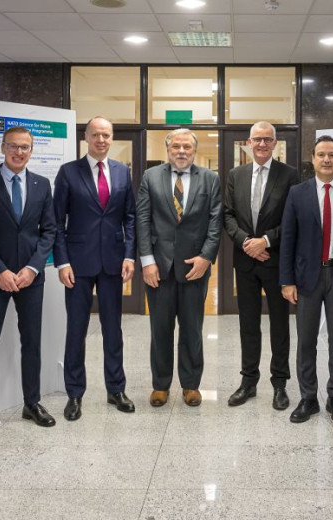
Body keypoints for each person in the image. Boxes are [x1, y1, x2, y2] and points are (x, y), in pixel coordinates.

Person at [0, 126, 57, 442]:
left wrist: (33, 268)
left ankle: (31, 403)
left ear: (32, 150)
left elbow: (49, 231)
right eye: (14, 146)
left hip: (31, 278)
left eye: (25, 147)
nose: (19, 152)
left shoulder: (41, 184)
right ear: (3, 147)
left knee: (32, 342)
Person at [53, 116, 137, 420]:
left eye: (107, 134)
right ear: (86, 137)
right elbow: (56, 222)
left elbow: (130, 217)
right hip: (77, 264)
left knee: (113, 329)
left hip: (113, 263)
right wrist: (61, 261)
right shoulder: (68, 173)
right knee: (76, 330)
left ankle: (116, 389)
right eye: (96, 134)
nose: (101, 139)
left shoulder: (122, 171)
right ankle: (74, 393)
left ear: (112, 138)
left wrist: (130, 255)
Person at [136, 128, 222, 407]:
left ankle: (190, 385)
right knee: (160, 329)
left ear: (194, 151)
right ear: (168, 149)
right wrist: (147, 261)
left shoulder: (210, 179)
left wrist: (206, 257)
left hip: (194, 267)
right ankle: (160, 385)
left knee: (192, 330)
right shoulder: (151, 177)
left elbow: (215, 221)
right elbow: (143, 220)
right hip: (158, 270)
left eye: (187, 147)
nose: (182, 151)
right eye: (176, 147)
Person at [279, 135, 333, 424]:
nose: (326, 160)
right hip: (306, 278)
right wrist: (286, 280)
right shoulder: (297, 193)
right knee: (306, 341)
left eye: (332, 155)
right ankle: (308, 398)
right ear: (312, 159)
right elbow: (288, 238)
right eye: (321, 155)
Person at [223, 121, 299, 410]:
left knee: (280, 324)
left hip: (276, 261)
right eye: (258, 139)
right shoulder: (235, 174)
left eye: (268, 139)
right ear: (248, 142)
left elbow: (293, 220)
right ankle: (248, 382)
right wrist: (247, 243)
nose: (263, 144)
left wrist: (265, 241)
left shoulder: (289, 175)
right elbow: (228, 215)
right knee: (248, 325)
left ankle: (279, 383)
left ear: (275, 144)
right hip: (245, 263)